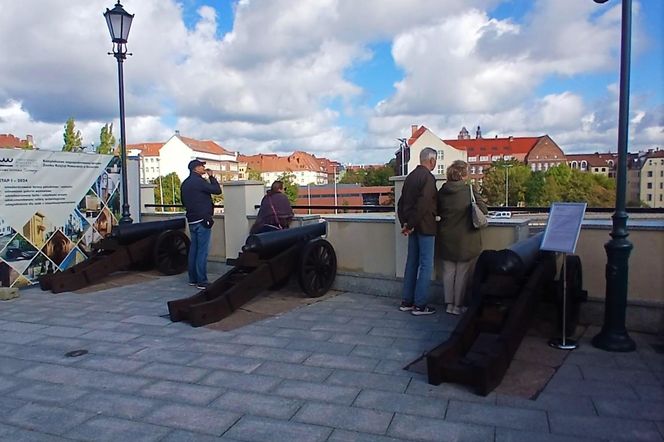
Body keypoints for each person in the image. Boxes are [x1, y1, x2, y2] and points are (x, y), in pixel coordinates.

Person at [436, 160, 488, 315]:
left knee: (448, 272)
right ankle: (457, 306)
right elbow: (483, 209)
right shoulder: (469, 190)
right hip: (466, 237)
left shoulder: (442, 191)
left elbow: (437, 210)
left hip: (445, 236)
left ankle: (449, 304)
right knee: (462, 273)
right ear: (464, 174)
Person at [397, 147, 438, 316]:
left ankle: (407, 300)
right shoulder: (428, 178)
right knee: (426, 264)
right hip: (425, 226)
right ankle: (420, 305)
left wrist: (405, 224)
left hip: (412, 226)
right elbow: (424, 204)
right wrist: (412, 224)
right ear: (432, 161)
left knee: (412, 262)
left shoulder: (411, 177)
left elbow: (401, 203)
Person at [180, 159, 222, 289]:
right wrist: (211, 177)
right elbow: (217, 190)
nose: (204, 168)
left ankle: (192, 278)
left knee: (194, 250)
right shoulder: (199, 182)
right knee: (202, 251)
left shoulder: (185, 183)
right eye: (201, 166)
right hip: (202, 219)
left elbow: (183, 202)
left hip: (192, 219)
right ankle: (201, 280)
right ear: (195, 169)